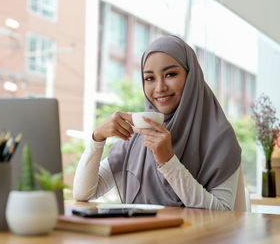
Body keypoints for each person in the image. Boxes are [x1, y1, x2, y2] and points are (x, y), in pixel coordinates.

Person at [73, 35, 242, 210]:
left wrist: (168, 161)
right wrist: (97, 138)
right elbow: (83, 193)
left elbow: (223, 212)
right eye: (149, 78)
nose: (160, 87)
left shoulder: (219, 136)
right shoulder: (140, 136)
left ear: (191, 77)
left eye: (170, 74)